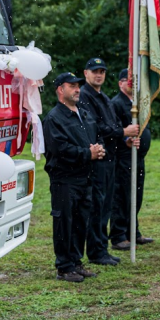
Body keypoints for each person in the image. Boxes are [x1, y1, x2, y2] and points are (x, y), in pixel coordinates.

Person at [43, 72, 105, 283]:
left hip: (84, 177)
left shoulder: (84, 114)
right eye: (72, 86)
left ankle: (76, 261)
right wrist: (88, 153)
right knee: (64, 222)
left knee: (80, 221)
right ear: (60, 90)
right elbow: (59, 149)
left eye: (78, 85)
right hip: (64, 179)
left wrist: (98, 149)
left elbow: (96, 137)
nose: (78, 89)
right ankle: (64, 266)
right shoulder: (54, 118)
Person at [78, 58, 139, 266]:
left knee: (105, 206)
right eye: (95, 71)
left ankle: (102, 248)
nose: (99, 75)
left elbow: (110, 125)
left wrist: (125, 139)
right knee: (97, 206)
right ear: (86, 73)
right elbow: (95, 128)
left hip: (110, 158)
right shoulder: (85, 96)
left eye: (102, 71)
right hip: (98, 159)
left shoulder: (103, 97)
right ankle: (96, 252)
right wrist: (123, 131)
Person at [109, 68, 154, 250]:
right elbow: (113, 130)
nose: (132, 84)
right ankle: (119, 236)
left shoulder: (137, 103)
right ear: (120, 84)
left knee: (136, 195)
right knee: (122, 196)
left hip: (138, 157)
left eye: (134, 81)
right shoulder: (116, 104)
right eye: (128, 81)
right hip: (123, 158)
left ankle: (133, 232)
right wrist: (125, 140)